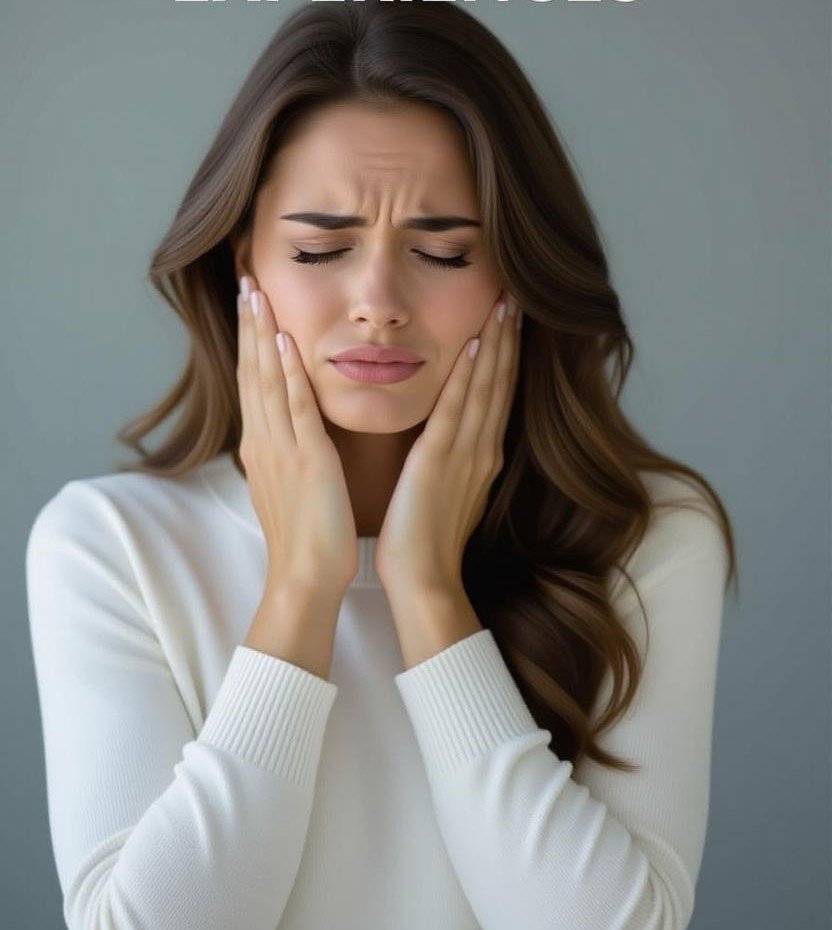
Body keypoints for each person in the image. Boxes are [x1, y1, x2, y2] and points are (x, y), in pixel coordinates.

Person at [25, 2, 739, 928]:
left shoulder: (648, 536)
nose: (378, 303)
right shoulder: (108, 546)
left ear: (518, 270)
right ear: (243, 259)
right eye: (321, 247)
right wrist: (303, 588)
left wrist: (427, 591)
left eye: (442, 252)